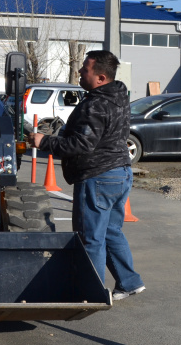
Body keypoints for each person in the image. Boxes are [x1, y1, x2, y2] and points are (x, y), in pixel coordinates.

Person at [31, 50, 145, 301]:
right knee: (111, 232)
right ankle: (129, 282)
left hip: (98, 176)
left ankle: (91, 293)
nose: (80, 71)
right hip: (120, 173)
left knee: (90, 238)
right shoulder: (118, 95)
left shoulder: (96, 104)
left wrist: (45, 142)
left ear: (101, 77)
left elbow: (82, 145)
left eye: (85, 68)